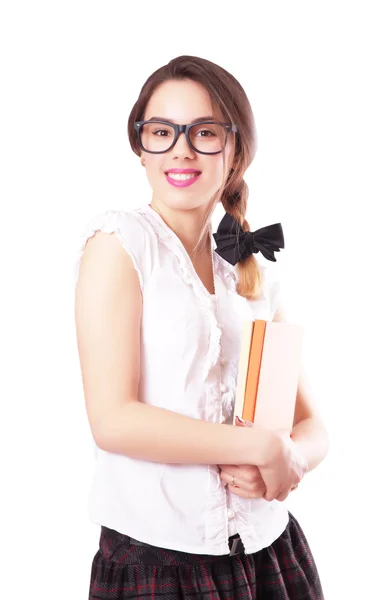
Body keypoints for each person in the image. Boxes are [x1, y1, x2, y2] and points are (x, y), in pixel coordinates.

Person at [74, 55, 328, 599]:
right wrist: (261, 448)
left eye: (204, 132)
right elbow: (113, 420)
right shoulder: (119, 243)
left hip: (270, 555)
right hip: (160, 564)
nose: (182, 150)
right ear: (140, 148)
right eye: (162, 132)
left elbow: (311, 425)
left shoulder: (247, 265)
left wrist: (289, 458)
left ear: (236, 150)